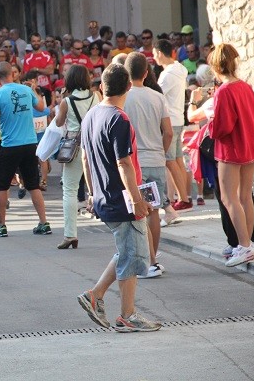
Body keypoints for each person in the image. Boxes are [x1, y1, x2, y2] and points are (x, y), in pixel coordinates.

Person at [77, 64, 161, 333]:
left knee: (126, 251)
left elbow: (85, 158)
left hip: (103, 196)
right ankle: (127, 315)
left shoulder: (92, 115)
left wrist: (91, 192)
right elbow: (124, 162)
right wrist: (136, 200)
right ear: (128, 87)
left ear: (101, 87)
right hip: (122, 198)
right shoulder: (119, 119)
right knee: (134, 255)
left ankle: (96, 295)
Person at [207, 44, 254, 267]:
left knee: (229, 198)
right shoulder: (246, 87)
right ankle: (246, 244)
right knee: (245, 196)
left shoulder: (224, 91)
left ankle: (244, 245)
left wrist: (210, 124)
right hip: (250, 145)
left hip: (231, 149)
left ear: (214, 66)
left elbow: (221, 128)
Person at [123, 52, 175, 278]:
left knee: (138, 212)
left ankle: (147, 261)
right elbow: (169, 132)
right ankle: (153, 258)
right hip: (155, 159)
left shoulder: (123, 98)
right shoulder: (157, 97)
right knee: (154, 210)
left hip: (134, 162)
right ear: (146, 73)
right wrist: (160, 152)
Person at [0, 61, 50, 237]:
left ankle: (2, 226)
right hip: (29, 144)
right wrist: (35, 88)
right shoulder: (26, 90)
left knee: (2, 186)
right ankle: (44, 222)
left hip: (10, 145)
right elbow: (42, 108)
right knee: (33, 185)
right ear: (13, 74)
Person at [54, 65, 100, 249]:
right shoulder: (96, 96)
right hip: (93, 143)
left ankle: (70, 234)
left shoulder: (67, 101)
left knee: (70, 190)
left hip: (74, 146)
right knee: (98, 185)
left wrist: (61, 100)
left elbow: (58, 122)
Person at [154, 39, 192, 212]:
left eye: (155, 54)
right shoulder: (179, 70)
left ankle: (183, 199)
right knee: (177, 160)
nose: (154, 58)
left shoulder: (169, 74)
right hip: (178, 118)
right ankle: (184, 197)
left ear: (160, 53)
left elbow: (157, 95)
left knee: (171, 161)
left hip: (170, 120)